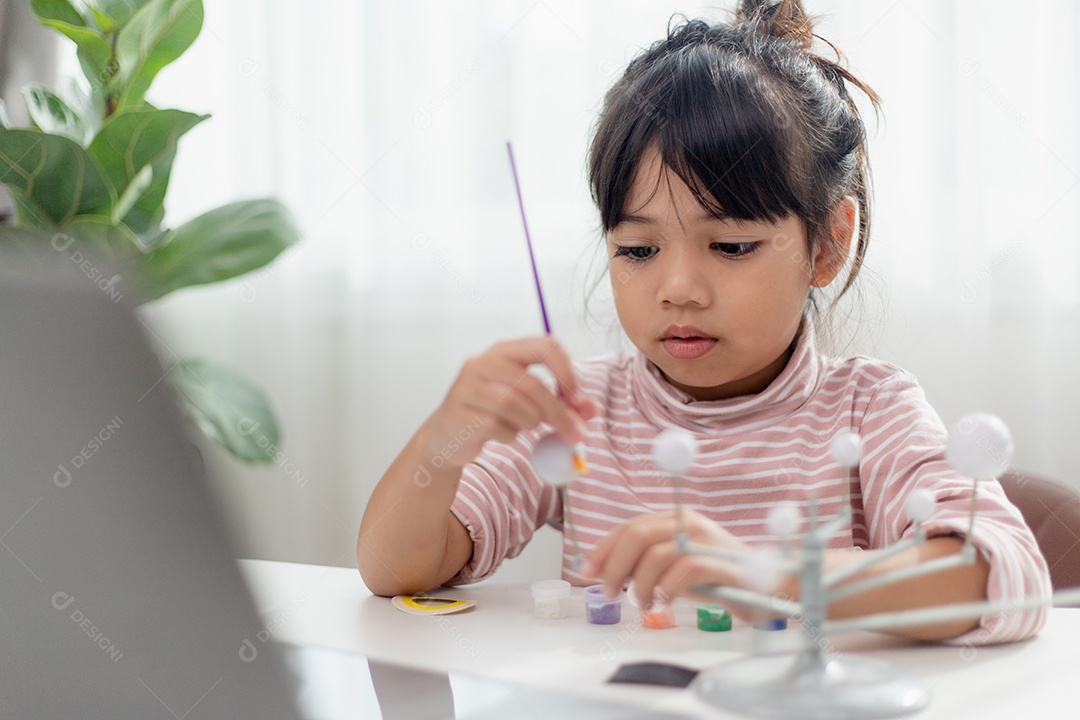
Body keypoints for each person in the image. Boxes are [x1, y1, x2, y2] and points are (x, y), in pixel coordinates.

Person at [357, 0, 1049, 643]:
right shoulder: (580, 414)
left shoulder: (868, 410)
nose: (678, 289)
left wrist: (771, 580)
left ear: (827, 245)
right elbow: (397, 571)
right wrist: (443, 441)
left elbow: (1008, 578)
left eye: (731, 246)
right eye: (637, 250)